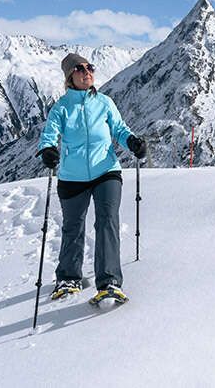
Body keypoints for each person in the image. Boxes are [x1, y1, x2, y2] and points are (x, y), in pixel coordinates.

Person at [37, 53, 146, 303]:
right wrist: (48, 150)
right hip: (72, 177)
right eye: (80, 68)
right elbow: (49, 134)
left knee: (107, 220)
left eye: (90, 67)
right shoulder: (61, 107)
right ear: (69, 77)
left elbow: (119, 128)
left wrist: (132, 142)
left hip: (106, 171)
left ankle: (109, 282)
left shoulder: (105, 102)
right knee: (73, 226)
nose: (87, 72)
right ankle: (68, 277)